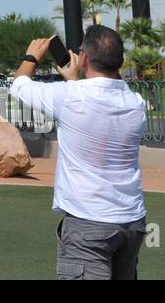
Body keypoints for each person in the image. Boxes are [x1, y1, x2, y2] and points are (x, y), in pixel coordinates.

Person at [9, 26, 148, 280]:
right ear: (121, 61)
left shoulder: (70, 97)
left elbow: (19, 86)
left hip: (88, 222)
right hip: (131, 222)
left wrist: (31, 57)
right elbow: (98, 106)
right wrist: (73, 80)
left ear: (84, 58)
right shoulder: (136, 103)